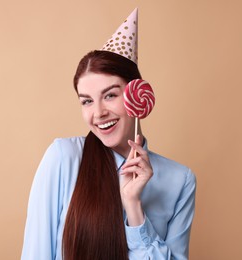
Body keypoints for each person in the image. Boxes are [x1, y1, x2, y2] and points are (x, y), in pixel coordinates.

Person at [21, 9, 196, 260]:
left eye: (110, 95)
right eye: (87, 101)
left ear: (138, 93)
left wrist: (134, 208)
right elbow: (36, 253)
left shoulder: (180, 181)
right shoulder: (63, 157)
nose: (99, 113)